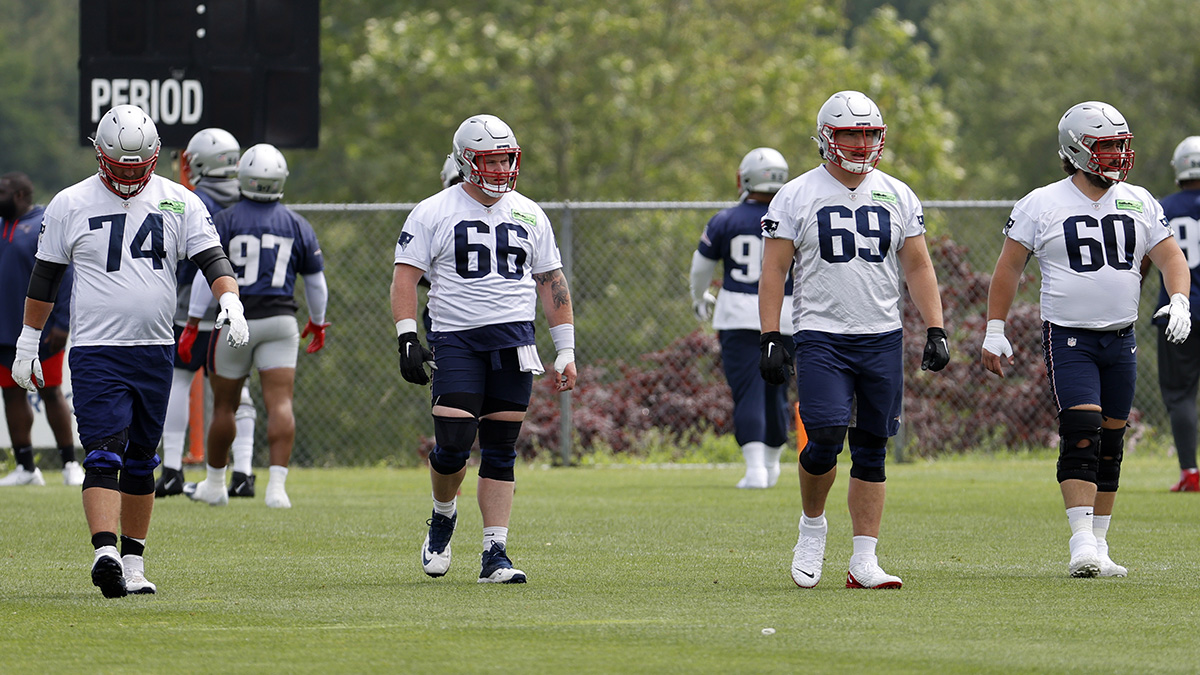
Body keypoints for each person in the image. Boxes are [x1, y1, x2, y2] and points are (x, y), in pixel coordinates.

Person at [11, 104, 249, 598]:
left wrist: (230, 299)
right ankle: (105, 552)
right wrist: (28, 340)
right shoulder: (71, 203)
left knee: (142, 460)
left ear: (155, 157)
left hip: (155, 348)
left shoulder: (179, 200)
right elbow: (45, 278)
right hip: (98, 348)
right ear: (100, 156)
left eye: (138, 167)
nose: (129, 177)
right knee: (103, 451)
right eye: (120, 167)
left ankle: (134, 564)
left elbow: (213, 258)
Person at [982, 101, 1191, 578]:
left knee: (1112, 441)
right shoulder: (1041, 203)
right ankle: (1080, 543)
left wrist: (1179, 300)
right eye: (1106, 146)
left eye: (1121, 145)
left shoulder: (1139, 200)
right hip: (1070, 337)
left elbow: (1172, 260)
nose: (1118, 155)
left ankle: (1099, 542)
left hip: (1121, 339)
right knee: (1082, 430)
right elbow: (1009, 268)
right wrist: (995, 328)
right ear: (1076, 150)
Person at [758, 91, 950, 590]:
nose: (861, 143)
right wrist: (771, 335)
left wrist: (935, 326)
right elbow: (774, 270)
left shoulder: (898, 193)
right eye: (850, 133)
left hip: (881, 336)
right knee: (823, 439)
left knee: (872, 449)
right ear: (827, 136)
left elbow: (918, 265)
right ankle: (812, 527)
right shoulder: (797, 195)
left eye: (868, 133)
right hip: (822, 336)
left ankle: (864, 560)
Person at [391, 114, 577, 584]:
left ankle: (495, 554)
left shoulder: (530, 212)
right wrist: (408, 335)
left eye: (505, 160)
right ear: (465, 161)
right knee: (452, 448)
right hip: (456, 340)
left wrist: (566, 349)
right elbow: (405, 277)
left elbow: (551, 282)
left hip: (514, 341)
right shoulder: (434, 210)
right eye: (490, 160)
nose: (499, 170)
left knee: (500, 450)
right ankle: (442, 514)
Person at [181, 143, 328, 509]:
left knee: (224, 407)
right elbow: (316, 283)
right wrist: (318, 321)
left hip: (237, 320)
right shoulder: (297, 223)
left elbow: (205, 277)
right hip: (280, 321)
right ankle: (276, 489)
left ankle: (215, 484)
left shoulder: (227, 220)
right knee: (280, 404)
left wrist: (193, 321)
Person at [156, 128, 260, 499]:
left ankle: (171, 469)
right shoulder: (250, 199)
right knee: (237, 390)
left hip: (194, 305)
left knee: (180, 380)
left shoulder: (193, 200)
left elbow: (195, 263)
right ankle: (244, 472)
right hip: (243, 306)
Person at [689, 148, 794, 489]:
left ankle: (755, 471)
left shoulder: (726, 220)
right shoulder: (795, 216)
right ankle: (772, 465)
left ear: (746, 177)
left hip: (738, 313)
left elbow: (701, 266)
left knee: (748, 390)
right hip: (785, 314)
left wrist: (698, 296)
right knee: (777, 391)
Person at [0, 172, 80, 486]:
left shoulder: (42, 225)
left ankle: (70, 463)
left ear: (20, 195)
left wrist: (62, 323)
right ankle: (25, 467)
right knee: (11, 394)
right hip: (4, 331)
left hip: (42, 330)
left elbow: (66, 276)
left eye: (2, 191)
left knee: (50, 392)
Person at [1154, 136, 1200, 493]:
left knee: (1181, 394)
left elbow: (1140, 264)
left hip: (1177, 313)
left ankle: (1190, 472)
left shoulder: (1161, 208)